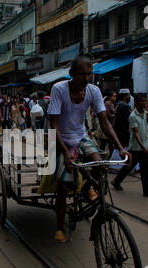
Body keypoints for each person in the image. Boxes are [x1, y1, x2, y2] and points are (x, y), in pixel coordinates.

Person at [48, 56, 128, 243]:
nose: (86, 78)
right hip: (60, 138)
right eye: (82, 74)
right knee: (63, 185)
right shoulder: (59, 89)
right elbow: (53, 124)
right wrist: (66, 152)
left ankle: (86, 188)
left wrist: (119, 146)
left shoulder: (93, 91)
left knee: (100, 164)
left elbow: (104, 120)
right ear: (72, 74)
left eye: (89, 74)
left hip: (81, 136)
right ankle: (60, 227)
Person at [112, 94, 148, 199]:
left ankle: (147, 190)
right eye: (141, 101)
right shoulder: (132, 116)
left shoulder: (146, 114)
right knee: (128, 167)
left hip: (146, 145)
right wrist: (144, 148)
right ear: (136, 102)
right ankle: (116, 181)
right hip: (137, 147)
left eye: (145, 101)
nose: (143, 103)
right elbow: (136, 134)